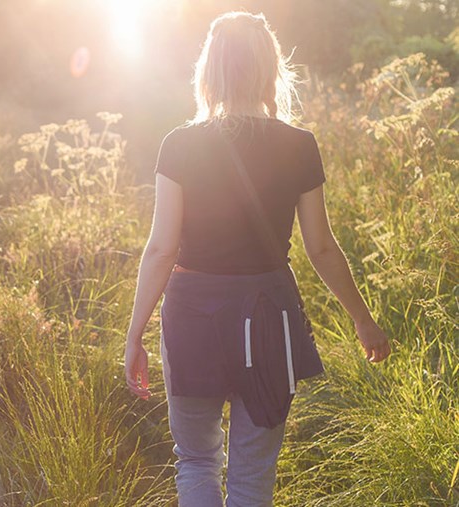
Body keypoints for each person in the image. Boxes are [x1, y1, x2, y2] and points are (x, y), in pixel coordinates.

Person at [122, 11, 392, 507]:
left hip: (192, 316)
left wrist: (135, 334)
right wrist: (364, 321)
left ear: (210, 70)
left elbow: (162, 249)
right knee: (252, 474)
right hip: (270, 315)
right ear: (270, 69)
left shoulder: (179, 145)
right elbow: (321, 248)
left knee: (197, 460)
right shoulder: (299, 145)